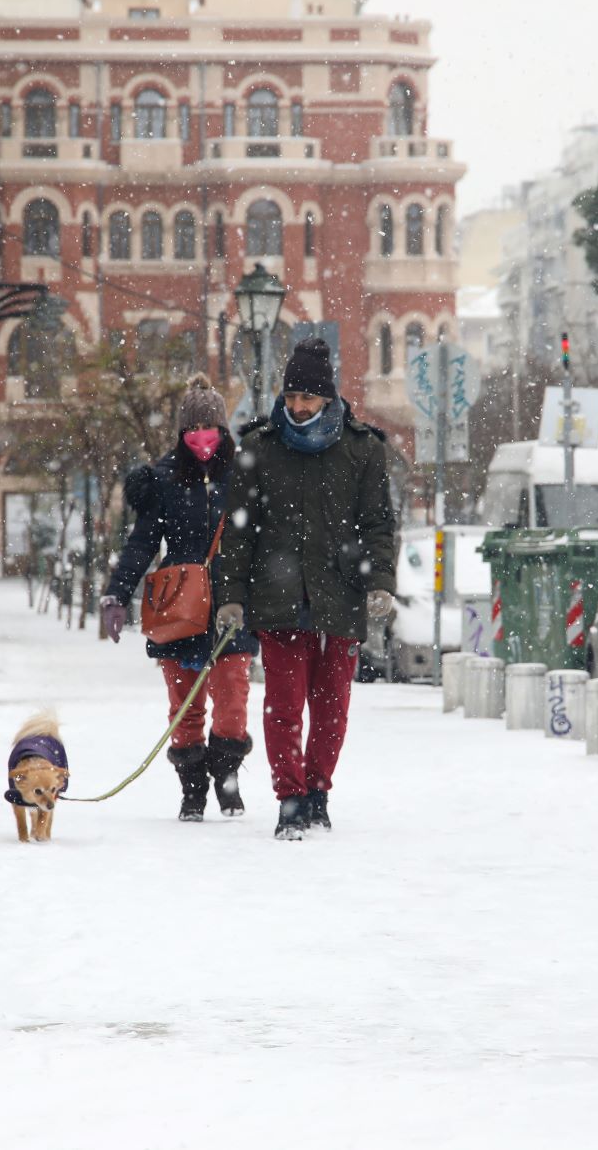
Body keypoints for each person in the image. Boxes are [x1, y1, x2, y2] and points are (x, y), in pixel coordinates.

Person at [215, 338, 398, 840]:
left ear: (328, 398)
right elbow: (237, 532)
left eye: (307, 399)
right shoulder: (260, 447)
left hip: (340, 594)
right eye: (291, 396)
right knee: (283, 705)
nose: (297, 406)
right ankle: (290, 798)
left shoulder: (363, 450)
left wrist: (380, 581)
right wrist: (230, 594)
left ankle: (318, 791)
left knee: (332, 706)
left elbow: (380, 525)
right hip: (278, 598)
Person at [101, 375, 259, 821]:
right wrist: (117, 593)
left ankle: (226, 779)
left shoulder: (244, 475)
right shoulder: (163, 479)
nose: (202, 439)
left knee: (232, 701)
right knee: (184, 705)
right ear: (181, 433)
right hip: (180, 606)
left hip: (232, 602)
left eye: (210, 430)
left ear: (224, 431)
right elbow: (141, 543)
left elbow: (263, 541)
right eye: (193, 431)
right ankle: (193, 791)